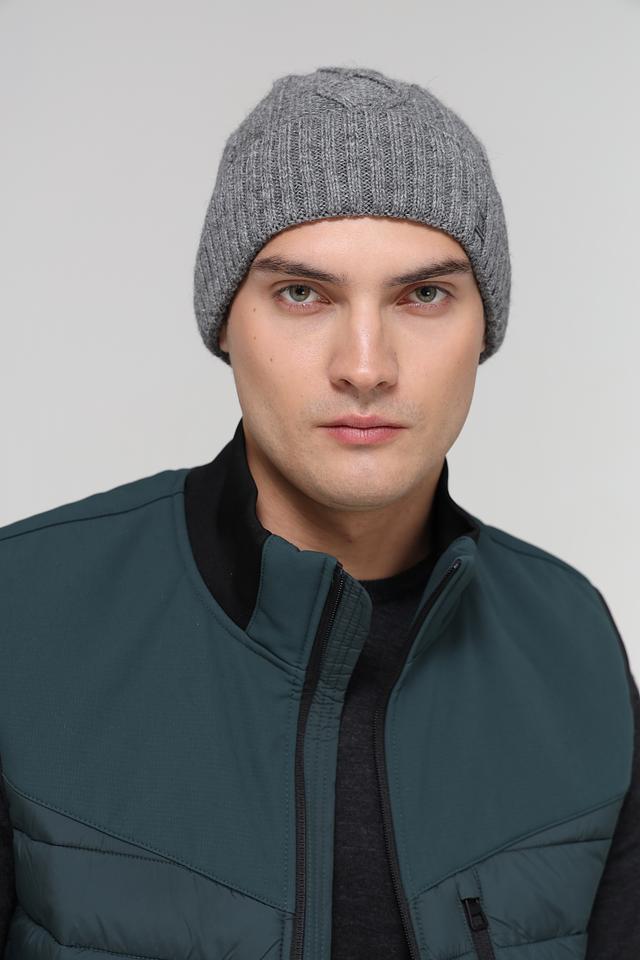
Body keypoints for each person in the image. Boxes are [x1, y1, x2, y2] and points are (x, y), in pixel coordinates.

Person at [0, 64, 638, 960]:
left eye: (424, 295)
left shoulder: (570, 639)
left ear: (483, 329)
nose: (365, 366)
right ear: (226, 323)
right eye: (303, 294)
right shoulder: (23, 613)